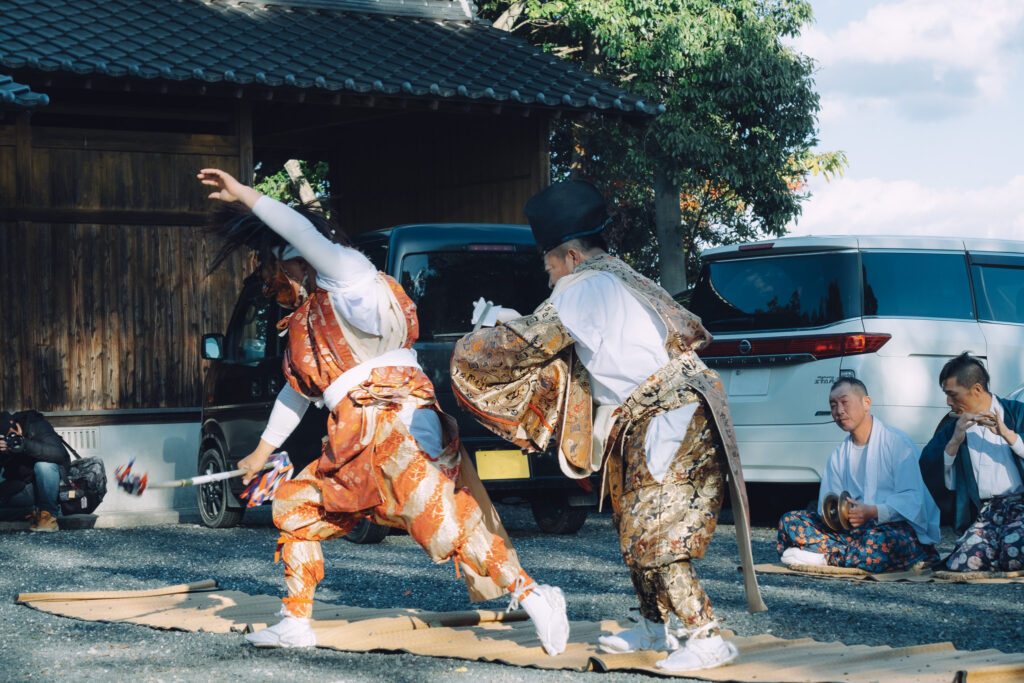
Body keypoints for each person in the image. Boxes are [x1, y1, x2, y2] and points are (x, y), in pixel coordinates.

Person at [196, 169, 568, 654]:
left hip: (398, 426)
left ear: (295, 262)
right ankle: (295, 621)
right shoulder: (309, 317)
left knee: (444, 526)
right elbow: (298, 394)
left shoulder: (349, 278)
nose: (270, 283)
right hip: (355, 436)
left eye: (273, 269)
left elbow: (303, 233)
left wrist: (246, 196)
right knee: (294, 506)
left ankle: (535, 595)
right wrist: (259, 452)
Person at [450, 179, 765, 673]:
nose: (548, 274)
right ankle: (654, 626)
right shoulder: (612, 275)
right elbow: (550, 326)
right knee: (630, 519)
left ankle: (706, 635)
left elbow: (525, 344)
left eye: (549, 263)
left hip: (669, 410)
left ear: (571, 256)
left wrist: (478, 340)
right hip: (653, 410)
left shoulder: (586, 286)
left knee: (654, 528)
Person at [776, 378, 940, 572]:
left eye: (845, 402)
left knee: (880, 542)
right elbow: (828, 507)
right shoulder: (838, 455)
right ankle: (850, 555)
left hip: (894, 529)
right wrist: (841, 516)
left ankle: (823, 558)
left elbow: (913, 500)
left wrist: (873, 512)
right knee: (790, 522)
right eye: (833, 405)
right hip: (853, 533)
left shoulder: (897, 443)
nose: (839, 411)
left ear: (866, 403)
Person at [920, 353, 1024, 572]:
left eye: (952, 394)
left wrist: (1008, 435)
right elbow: (928, 469)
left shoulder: (1017, 413)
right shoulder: (952, 428)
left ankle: (1001, 550)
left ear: (977, 389)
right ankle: (997, 549)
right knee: (963, 563)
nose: (948, 402)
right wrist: (953, 443)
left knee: (1013, 555)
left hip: (1019, 509)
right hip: (985, 514)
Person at [0, 410, 68, 532]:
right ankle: (33, 513)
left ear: (16, 427)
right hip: (26, 487)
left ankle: (49, 516)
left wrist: (24, 445)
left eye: (12, 435)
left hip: (51, 485)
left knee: (44, 465)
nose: (10, 439)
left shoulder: (37, 425)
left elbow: (60, 454)